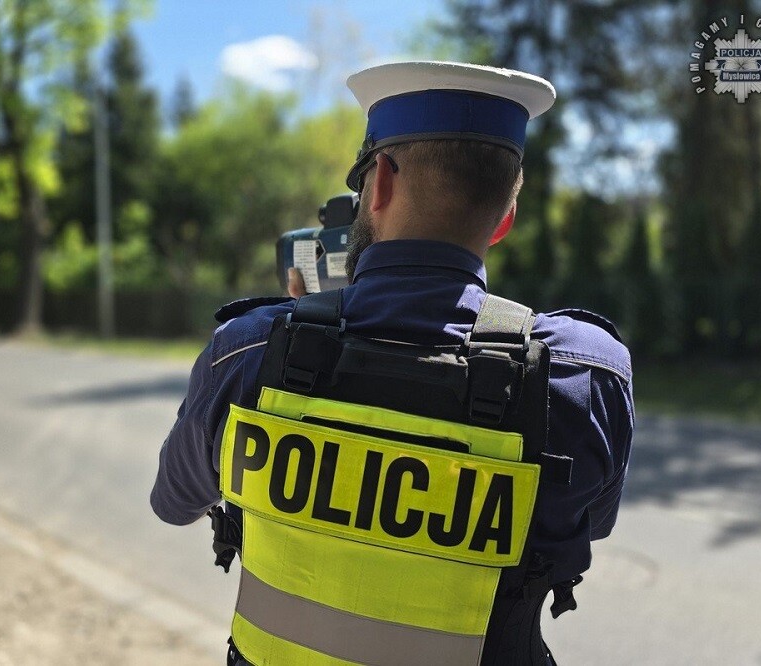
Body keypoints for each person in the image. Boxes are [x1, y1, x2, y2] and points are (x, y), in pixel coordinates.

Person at [151, 61, 634, 666]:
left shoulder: (247, 351)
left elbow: (175, 500)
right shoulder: (585, 375)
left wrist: (299, 331)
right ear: (506, 217)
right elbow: (592, 520)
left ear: (379, 182)